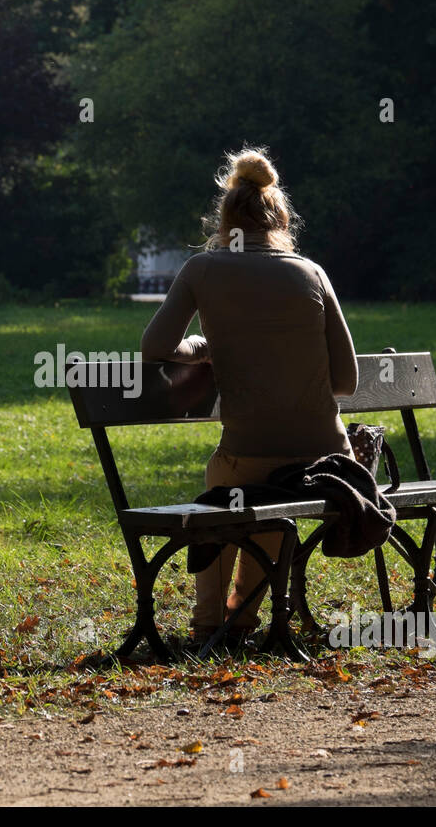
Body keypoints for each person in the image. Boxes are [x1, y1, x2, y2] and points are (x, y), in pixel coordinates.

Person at [140, 146, 359, 648]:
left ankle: (209, 624)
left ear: (224, 220)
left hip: (251, 460)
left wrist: (199, 348)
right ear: (280, 217)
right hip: (327, 461)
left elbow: (154, 347)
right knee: (272, 493)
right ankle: (238, 617)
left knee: (231, 483)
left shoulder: (203, 270)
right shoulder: (312, 272)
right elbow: (345, 382)